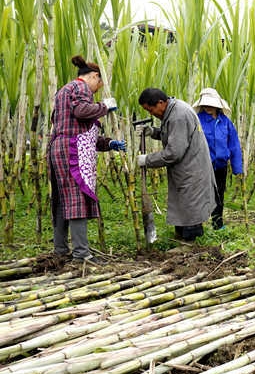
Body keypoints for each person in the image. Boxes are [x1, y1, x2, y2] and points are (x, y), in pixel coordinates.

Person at [48, 56, 126, 264]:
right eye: (99, 84)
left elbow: (82, 131)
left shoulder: (64, 91)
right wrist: (104, 107)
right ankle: (82, 254)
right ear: (93, 76)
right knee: (76, 199)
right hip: (71, 150)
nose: (97, 89)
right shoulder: (81, 88)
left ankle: (61, 250)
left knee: (63, 201)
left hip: (63, 147)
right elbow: (82, 112)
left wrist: (109, 144)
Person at [137, 88, 216, 241]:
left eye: (151, 109)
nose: (151, 113)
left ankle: (191, 245)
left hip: (191, 170)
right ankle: (182, 239)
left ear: (160, 102)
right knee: (184, 206)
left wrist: (147, 160)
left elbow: (174, 152)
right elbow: (172, 135)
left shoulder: (178, 116)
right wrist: (152, 131)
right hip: (186, 169)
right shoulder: (173, 110)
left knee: (191, 208)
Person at [193, 88, 243, 230]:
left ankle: (217, 224)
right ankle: (198, 225)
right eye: (205, 104)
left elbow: (234, 145)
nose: (208, 107)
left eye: (211, 104)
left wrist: (237, 167)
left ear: (217, 105)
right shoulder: (197, 121)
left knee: (219, 194)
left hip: (220, 166)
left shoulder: (225, 122)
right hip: (202, 165)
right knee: (200, 195)